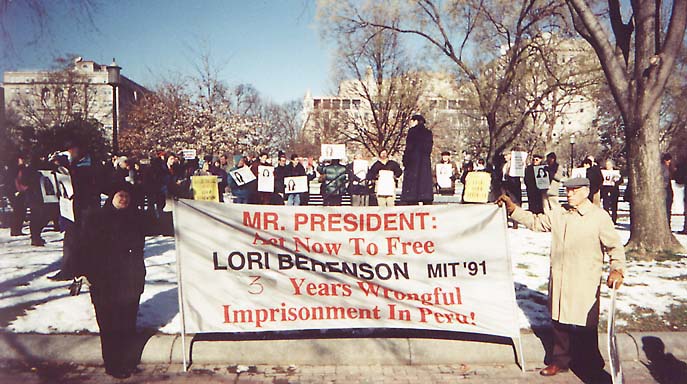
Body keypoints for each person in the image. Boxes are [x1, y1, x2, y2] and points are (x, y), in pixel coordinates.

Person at [497, 177, 625, 381]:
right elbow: (536, 222)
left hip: (585, 279)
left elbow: (615, 247)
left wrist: (617, 269)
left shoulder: (599, 217)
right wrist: (513, 209)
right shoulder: (559, 213)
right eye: (568, 190)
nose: (569, 194)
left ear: (585, 191)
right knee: (558, 321)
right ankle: (560, 360)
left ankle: (591, 363)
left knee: (585, 324)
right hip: (560, 275)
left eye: (574, 190)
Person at [77, 182, 148, 379]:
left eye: (127, 196)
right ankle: (113, 364)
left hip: (130, 279)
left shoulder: (136, 219)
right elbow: (84, 248)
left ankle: (128, 361)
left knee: (127, 323)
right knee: (109, 325)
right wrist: (86, 274)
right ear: (112, 197)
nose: (123, 199)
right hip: (104, 281)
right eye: (120, 195)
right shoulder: (96, 218)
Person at [49, 140, 103, 281]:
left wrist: (70, 169)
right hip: (71, 207)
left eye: (73, 150)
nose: (71, 153)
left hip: (87, 208)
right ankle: (67, 270)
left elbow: (93, 183)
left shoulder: (92, 163)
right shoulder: (69, 163)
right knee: (70, 239)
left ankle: (86, 270)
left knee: (86, 240)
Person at [401, 114, 434, 205]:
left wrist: (405, 160)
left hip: (413, 163)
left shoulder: (412, 132)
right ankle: (426, 196)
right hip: (424, 164)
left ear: (415, 121)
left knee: (412, 193)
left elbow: (409, 148)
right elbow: (429, 149)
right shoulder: (428, 133)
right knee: (424, 187)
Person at [9, 155, 29, 236]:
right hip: (18, 192)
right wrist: (19, 189)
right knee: (18, 211)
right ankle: (15, 230)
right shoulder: (16, 169)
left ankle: (18, 229)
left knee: (21, 211)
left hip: (21, 191)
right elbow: (16, 180)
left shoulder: (23, 169)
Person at [600, 159, 623, 224]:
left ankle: (614, 219)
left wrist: (616, 181)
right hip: (605, 189)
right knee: (606, 205)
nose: (607, 166)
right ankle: (606, 219)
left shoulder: (616, 171)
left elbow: (621, 180)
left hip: (614, 189)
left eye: (609, 164)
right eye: (607, 164)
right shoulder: (602, 171)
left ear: (612, 165)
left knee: (614, 205)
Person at [662, 153, 673, 228]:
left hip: (668, 191)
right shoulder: (664, 169)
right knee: (666, 210)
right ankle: (667, 225)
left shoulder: (666, 168)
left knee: (668, 209)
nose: (669, 162)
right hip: (665, 192)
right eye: (668, 160)